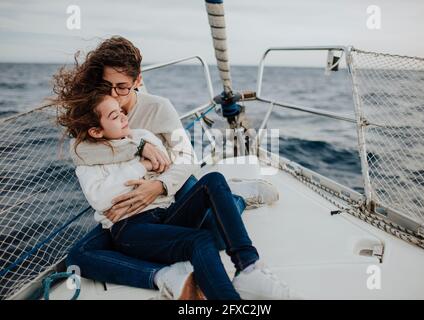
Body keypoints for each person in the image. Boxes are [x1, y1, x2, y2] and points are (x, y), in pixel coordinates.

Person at [54, 36, 292, 299]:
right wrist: (138, 148)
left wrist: (158, 185)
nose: (113, 95)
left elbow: (187, 158)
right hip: (133, 212)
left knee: (215, 229)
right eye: (107, 85)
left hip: (172, 188)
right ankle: (167, 274)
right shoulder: (98, 111)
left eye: (121, 87)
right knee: (78, 257)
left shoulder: (158, 109)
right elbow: (81, 152)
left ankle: (238, 202)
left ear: (137, 81)